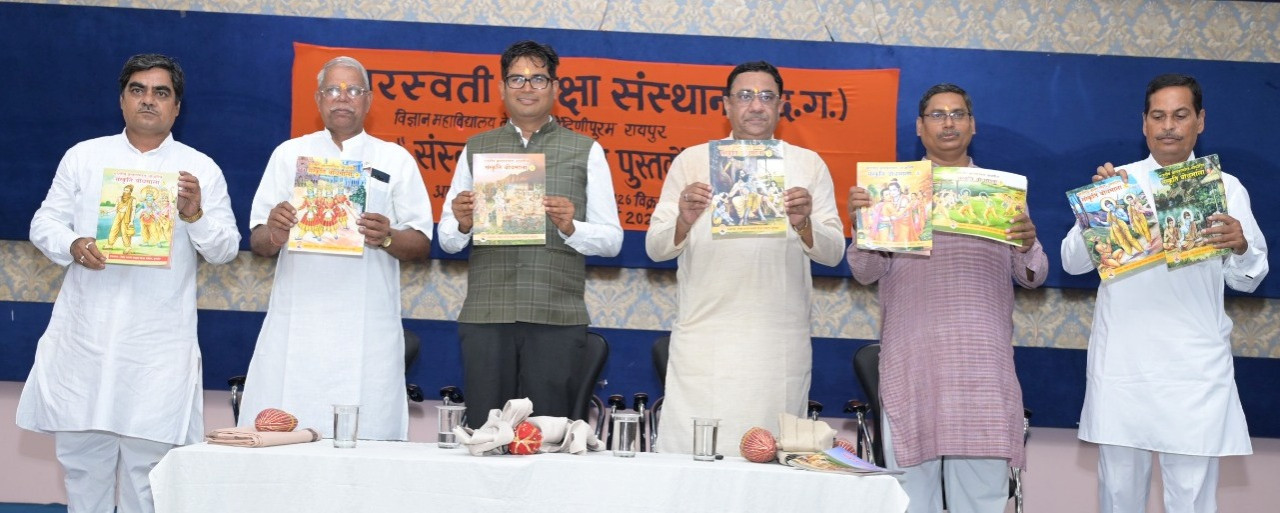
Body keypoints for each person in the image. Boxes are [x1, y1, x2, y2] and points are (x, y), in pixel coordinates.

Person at [18, 53, 240, 513]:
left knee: (150, 475)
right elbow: (44, 223)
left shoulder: (199, 169)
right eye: (138, 90)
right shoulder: (84, 156)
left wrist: (195, 213)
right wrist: (73, 243)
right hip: (87, 337)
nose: (148, 100)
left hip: (156, 346)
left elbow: (224, 249)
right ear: (122, 100)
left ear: (177, 107)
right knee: (83, 470)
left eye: (161, 93)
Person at [1061, 73, 1267, 513]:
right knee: (1118, 497)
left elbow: (1248, 278)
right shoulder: (1119, 183)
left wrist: (1240, 246)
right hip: (1124, 366)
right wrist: (1096, 210)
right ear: (1144, 123)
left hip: (1194, 368)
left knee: (1192, 500)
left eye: (1180, 115)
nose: (1168, 126)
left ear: (1200, 121)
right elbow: (1072, 263)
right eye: (1158, 116)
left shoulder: (1226, 188)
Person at [847, 83, 1046, 513]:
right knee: (910, 500)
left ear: (973, 125)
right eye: (937, 115)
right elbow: (865, 272)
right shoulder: (893, 191)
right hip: (912, 366)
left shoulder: (1000, 195)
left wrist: (1027, 243)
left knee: (981, 500)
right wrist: (863, 226)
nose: (948, 123)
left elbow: (1033, 275)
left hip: (982, 368)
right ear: (920, 127)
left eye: (958, 114)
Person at [646, 61, 844, 456]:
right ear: (726, 105)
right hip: (705, 339)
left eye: (767, 96)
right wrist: (684, 219)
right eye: (745, 96)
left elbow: (835, 252)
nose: (756, 105)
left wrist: (805, 223)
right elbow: (656, 247)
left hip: (776, 343)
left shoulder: (808, 164)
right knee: (694, 459)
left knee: (768, 457)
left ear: (781, 106)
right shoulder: (692, 161)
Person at [239, 56, 433, 440]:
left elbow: (422, 243)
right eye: (332, 89)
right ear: (318, 99)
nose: (342, 97)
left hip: (367, 327)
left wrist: (388, 236)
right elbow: (258, 241)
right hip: (298, 325)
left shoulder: (395, 159)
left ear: (369, 100)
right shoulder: (288, 155)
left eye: (353, 90)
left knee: (368, 442)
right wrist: (275, 231)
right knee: (286, 438)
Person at [437, 40, 623, 427]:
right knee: (486, 435)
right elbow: (448, 240)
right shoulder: (476, 148)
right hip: (487, 316)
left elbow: (612, 241)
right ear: (501, 88)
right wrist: (463, 221)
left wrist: (572, 227)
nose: (527, 87)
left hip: (555, 317)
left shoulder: (586, 150)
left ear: (555, 88)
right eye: (517, 79)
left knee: (547, 437)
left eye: (538, 78)